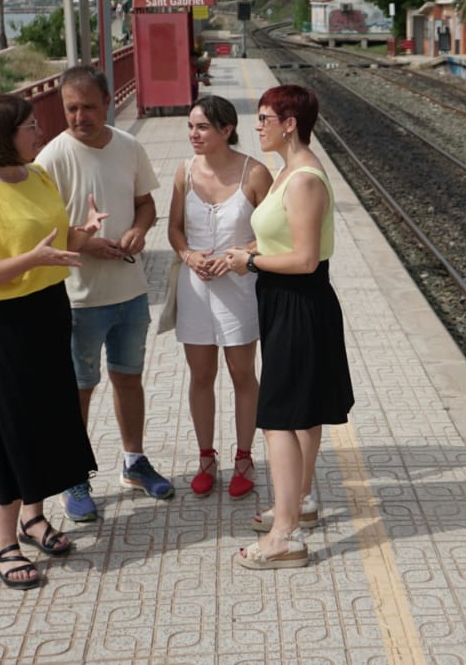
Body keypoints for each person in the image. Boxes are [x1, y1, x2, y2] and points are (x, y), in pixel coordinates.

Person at [0, 93, 102, 590]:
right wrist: (32, 261)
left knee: (49, 413)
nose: (39, 133)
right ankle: (2, 542)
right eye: (30, 126)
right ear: (2, 134)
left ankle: (34, 517)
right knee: (11, 422)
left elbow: (52, 242)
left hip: (47, 306)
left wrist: (83, 233)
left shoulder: (36, 175)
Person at [222, 85, 353, 569]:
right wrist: (251, 249)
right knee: (302, 410)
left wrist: (250, 260)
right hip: (286, 303)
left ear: (289, 123)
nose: (257, 126)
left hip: (300, 302)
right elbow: (284, 236)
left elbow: (302, 259)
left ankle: (285, 535)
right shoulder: (286, 172)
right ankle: (298, 502)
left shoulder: (303, 180)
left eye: (264, 118)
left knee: (277, 416)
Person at [36, 66, 174, 521]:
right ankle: (74, 475)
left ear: (108, 103)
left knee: (128, 378)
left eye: (88, 107)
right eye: (71, 108)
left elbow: (146, 203)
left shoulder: (129, 147)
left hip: (130, 291)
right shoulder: (51, 159)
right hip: (78, 297)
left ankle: (134, 462)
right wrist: (85, 242)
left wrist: (138, 229)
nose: (79, 117)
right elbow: (42, 233)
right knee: (79, 389)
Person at [166, 95, 273, 499]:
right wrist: (188, 255)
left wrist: (240, 256)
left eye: (202, 127)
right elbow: (174, 229)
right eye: (191, 127)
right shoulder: (184, 172)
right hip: (196, 289)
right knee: (201, 375)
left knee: (242, 373)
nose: (193, 134)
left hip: (240, 288)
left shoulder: (255, 173)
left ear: (226, 130)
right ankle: (206, 458)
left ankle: (244, 458)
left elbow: (275, 231)